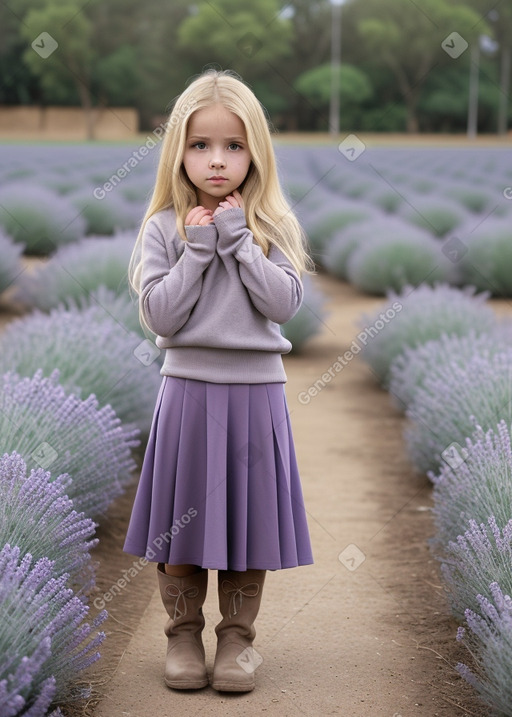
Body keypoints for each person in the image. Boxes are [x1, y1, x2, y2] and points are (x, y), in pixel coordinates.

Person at [123, 68, 314, 694]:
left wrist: (238, 241)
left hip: (256, 397)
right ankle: (182, 635)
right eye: (201, 145)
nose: (216, 160)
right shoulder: (164, 229)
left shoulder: (271, 225)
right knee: (181, 521)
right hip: (188, 394)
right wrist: (199, 250)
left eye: (233, 146)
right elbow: (160, 314)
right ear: (178, 149)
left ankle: (236, 639)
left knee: (248, 524)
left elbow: (283, 303)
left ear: (255, 150)